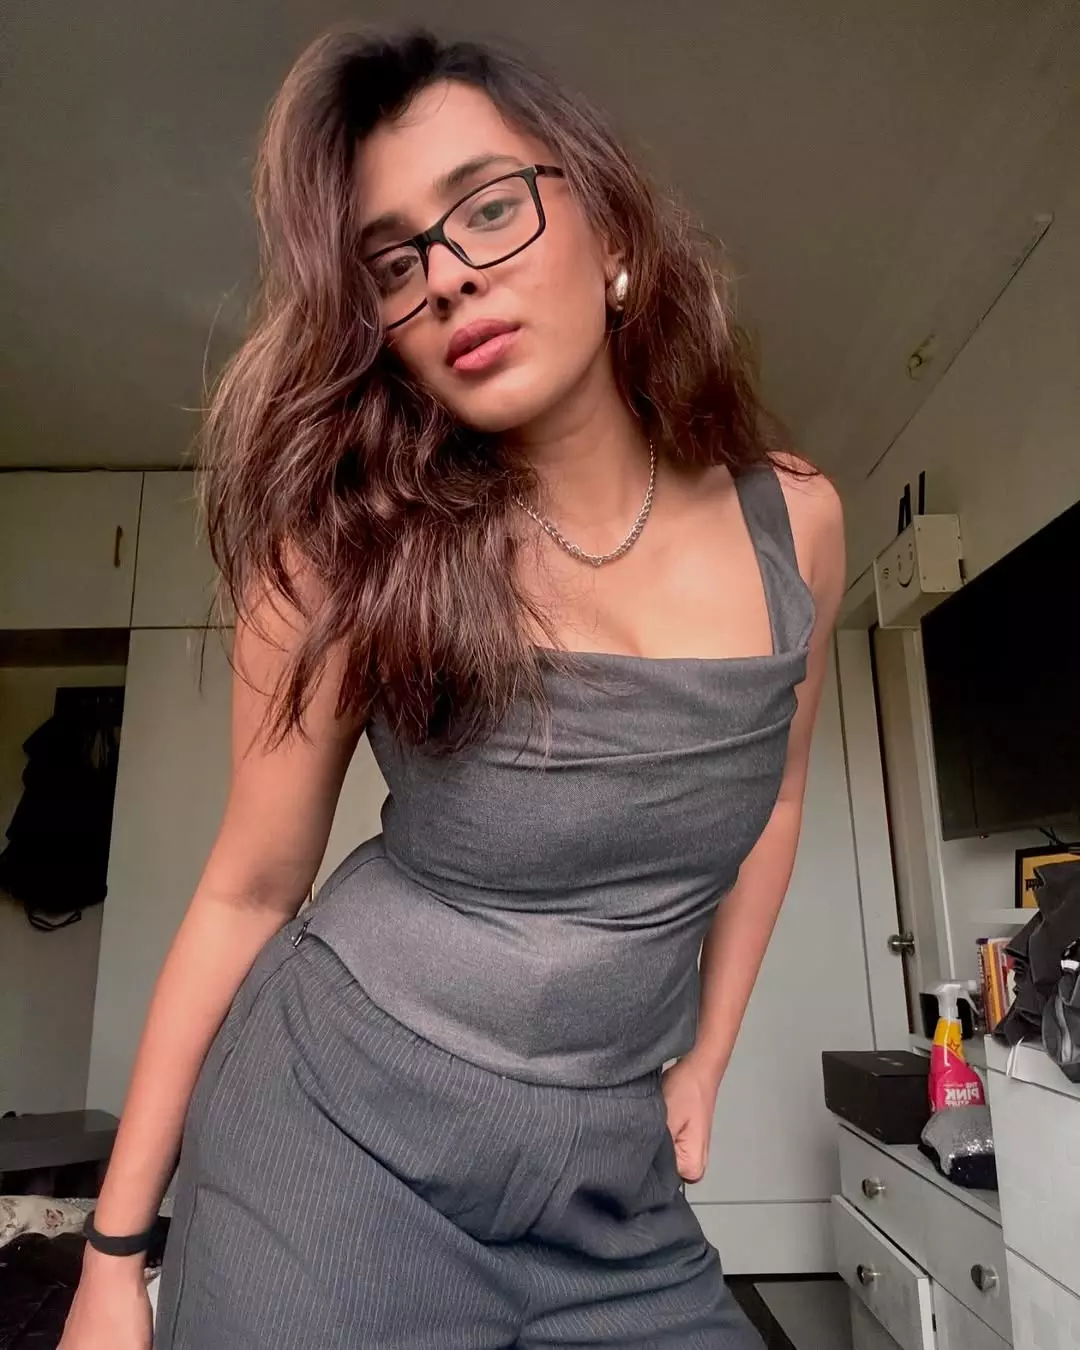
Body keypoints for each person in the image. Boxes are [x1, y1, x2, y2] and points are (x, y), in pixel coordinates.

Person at [60, 27, 845, 1350]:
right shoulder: (349, 548)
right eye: (395, 262)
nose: (449, 276)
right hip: (337, 1136)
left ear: (612, 232)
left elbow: (774, 795)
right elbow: (249, 890)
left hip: (610, 1185)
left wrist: (707, 1053)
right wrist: (110, 1259)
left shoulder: (797, 523)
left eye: (488, 206)